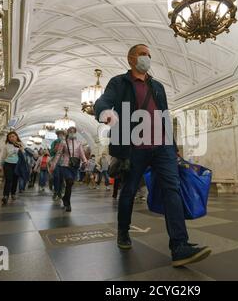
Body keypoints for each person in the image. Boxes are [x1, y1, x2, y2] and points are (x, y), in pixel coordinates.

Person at [94, 44, 211, 267]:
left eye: (149, 55)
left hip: (162, 147)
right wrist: (105, 112)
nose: (147, 58)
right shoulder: (119, 82)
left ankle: (180, 246)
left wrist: (173, 145)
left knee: (172, 190)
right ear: (131, 59)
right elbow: (103, 101)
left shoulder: (157, 86)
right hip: (133, 146)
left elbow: (165, 114)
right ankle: (123, 232)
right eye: (142, 54)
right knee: (128, 190)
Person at [50, 126, 87, 212]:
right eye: (70, 131)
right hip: (65, 165)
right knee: (69, 181)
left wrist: (85, 161)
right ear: (68, 132)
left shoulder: (79, 143)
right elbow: (58, 154)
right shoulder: (63, 142)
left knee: (70, 184)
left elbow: (82, 153)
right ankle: (68, 204)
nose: (72, 133)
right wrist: (53, 164)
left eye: (74, 131)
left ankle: (65, 198)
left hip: (75, 166)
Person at [0, 131, 25, 205]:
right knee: (8, 180)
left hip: (17, 165)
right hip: (8, 164)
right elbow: (3, 156)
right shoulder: (6, 145)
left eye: (13, 136)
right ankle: (5, 196)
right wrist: (0, 165)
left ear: (16, 136)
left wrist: (20, 147)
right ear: (8, 139)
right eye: (10, 137)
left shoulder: (21, 144)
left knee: (15, 180)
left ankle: (13, 193)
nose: (12, 138)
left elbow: (23, 154)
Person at [50, 130, 66, 200]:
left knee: (62, 178)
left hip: (63, 163)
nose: (61, 136)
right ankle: (56, 192)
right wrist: (55, 149)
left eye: (62, 134)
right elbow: (51, 152)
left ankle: (59, 192)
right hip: (55, 162)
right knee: (56, 177)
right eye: (59, 134)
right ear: (57, 135)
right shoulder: (55, 142)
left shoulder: (66, 142)